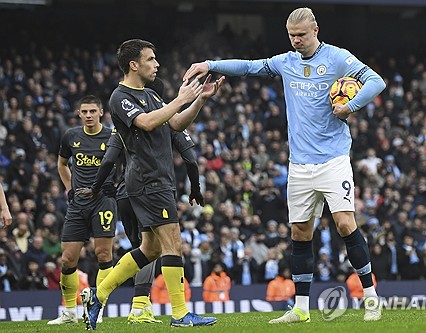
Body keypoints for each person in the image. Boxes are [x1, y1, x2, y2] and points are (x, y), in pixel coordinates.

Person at [184, 7, 386, 323]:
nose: (295, 41)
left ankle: (372, 299)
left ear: (315, 30)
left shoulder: (336, 58)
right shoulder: (286, 62)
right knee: (300, 233)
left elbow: (376, 81)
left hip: (333, 160)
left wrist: (350, 106)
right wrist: (210, 64)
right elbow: (249, 67)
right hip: (299, 166)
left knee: (345, 224)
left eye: (301, 35)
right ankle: (302, 308)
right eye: (291, 36)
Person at [81, 39, 224, 330]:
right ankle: (181, 313)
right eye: (150, 59)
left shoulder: (151, 95)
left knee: (152, 249)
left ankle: (100, 295)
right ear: (134, 65)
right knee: (174, 242)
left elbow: (174, 124)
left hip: (159, 180)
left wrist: (199, 100)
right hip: (147, 181)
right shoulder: (119, 97)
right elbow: (146, 123)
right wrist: (179, 99)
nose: (156, 64)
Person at [48, 95, 117, 325]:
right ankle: (69, 312)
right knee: (67, 259)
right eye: (84, 112)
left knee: (104, 255)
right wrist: (69, 189)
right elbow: (61, 163)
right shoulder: (71, 136)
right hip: (78, 204)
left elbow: (126, 163)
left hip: (103, 201)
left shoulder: (111, 136)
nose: (88, 115)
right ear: (79, 113)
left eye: (92, 111)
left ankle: (99, 305)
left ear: (100, 113)